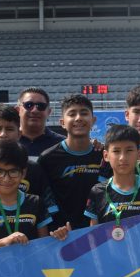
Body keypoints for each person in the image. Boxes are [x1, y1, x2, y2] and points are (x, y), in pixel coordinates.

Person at [0, 142, 68, 250]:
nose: (6, 178)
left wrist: (59, 235)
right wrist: (4, 242)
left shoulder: (36, 203)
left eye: (13, 171)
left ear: (23, 173)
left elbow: (43, 245)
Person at [85, 125, 140, 228]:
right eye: (116, 151)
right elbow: (93, 233)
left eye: (129, 150)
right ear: (106, 156)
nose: (122, 158)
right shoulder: (97, 191)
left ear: (139, 154)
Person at [38, 95, 102, 230]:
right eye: (72, 114)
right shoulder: (48, 158)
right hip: (61, 234)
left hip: (98, 232)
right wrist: (57, 227)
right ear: (62, 122)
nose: (78, 118)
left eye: (84, 113)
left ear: (93, 120)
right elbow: (45, 200)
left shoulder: (104, 155)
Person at [17, 87, 64, 157]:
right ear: (18, 110)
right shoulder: (7, 141)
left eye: (41, 106)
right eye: (28, 105)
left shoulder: (63, 144)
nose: (35, 110)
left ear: (49, 112)